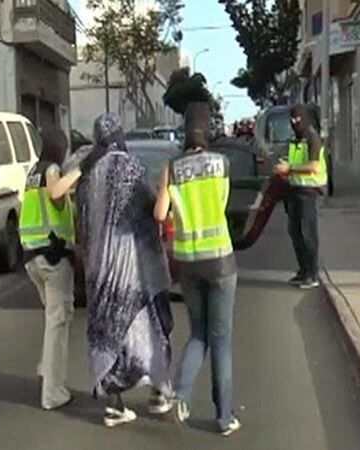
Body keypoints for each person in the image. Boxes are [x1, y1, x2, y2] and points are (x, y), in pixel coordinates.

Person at [77, 113, 174, 427]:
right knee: (150, 327)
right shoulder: (130, 169)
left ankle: (114, 404)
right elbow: (149, 212)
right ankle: (158, 393)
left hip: (98, 271)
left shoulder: (88, 177)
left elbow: (82, 224)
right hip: (133, 268)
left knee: (107, 332)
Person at [154, 102, 241, 436]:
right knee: (221, 340)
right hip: (220, 260)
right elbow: (221, 204)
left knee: (198, 334)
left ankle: (181, 395)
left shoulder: (171, 168)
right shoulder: (222, 164)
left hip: (188, 263)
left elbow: (160, 214)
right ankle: (224, 416)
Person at [19, 127, 82, 411]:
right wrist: (79, 170)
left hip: (32, 257)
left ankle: (46, 370)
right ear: (59, 150)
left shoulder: (33, 172)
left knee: (52, 317)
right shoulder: (52, 171)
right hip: (53, 255)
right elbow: (56, 192)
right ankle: (52, 393)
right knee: (58, 321)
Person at [275, 104, 327, 289]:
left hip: (308, 191)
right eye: (292, 119)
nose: (294, 122)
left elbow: (313, 166)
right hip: (294, 190)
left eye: (297, 118)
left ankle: (312, 273)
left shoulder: (312, 138)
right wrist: (284, 167)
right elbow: (294, 161)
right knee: (295, 232)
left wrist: (289, 168)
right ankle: (303, 270)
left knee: (307, 234)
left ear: (305, 119)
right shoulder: (294, 140)